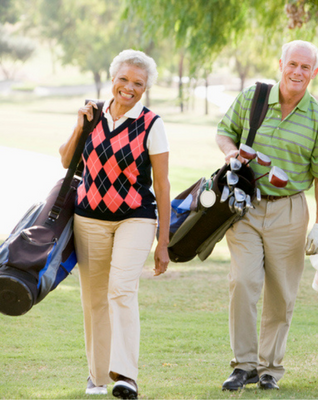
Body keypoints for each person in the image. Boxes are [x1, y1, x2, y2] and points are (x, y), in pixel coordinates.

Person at [215, 40, 318, 391]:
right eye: (292, 64)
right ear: (280, 63)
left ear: (314, 73)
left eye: (305, 67)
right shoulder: (254, 97)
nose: (297, 72)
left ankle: (270, 369)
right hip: (245, 205)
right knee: (243, 282)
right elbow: (224, 133)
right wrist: (230, 154)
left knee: (282, 292)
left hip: (290, 208)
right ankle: (243, 365)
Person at [59, 49, 170, 399]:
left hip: (135, 218)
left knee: (121, 289)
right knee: (93, 300)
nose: (129, 88)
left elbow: (163, 186)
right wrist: (80, 124)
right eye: (123, 79)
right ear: (112, 79)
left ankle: (126, 375)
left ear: (146, 88)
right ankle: (97, 377)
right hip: (88, 218)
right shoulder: (91, 116)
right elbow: (66, 160)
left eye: (138, 83)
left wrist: (163, 242)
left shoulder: (152, 124)